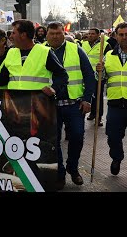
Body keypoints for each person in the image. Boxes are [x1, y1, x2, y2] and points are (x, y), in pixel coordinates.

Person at [0, 19, 68, 103]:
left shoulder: (45, 52)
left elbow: (62, 75)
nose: (10, 36)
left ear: (23, 35)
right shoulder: (11, 52)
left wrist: (54, 89)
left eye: (14, 33)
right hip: (14, 106)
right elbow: (2, 79)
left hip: (38, 106)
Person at [45, 22, 95, 189]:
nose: (55, 36)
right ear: (46, 35)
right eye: (52, 34)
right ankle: (59, 173)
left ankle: (72, 168)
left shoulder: (76, 50)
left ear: (63, 33)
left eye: (58, 33)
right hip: (50, 105)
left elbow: (90, 76)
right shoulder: (40, 52)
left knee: (77, 137)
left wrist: (87, 99)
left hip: (74, 104)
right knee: (54, 141)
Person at [96, 22, 127, 176]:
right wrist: (99, 71)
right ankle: (117, 158)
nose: (124, 37)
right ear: (115, 36)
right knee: (113, 136)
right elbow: (102, 79)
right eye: (121, 34)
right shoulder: (108, 55)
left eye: (126, 34)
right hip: (115, 104)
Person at [82, 28, 112, 126]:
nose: (90, 35)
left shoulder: (105, 45)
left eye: (93, 34)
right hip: (85, 75)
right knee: (88, 95)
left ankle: (98, 116)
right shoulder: (83, 44)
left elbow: (109, 58)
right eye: (89, 34)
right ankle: (92, 113)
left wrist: (103, 66)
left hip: (98, 75)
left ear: (98, 35)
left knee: (98, 97)